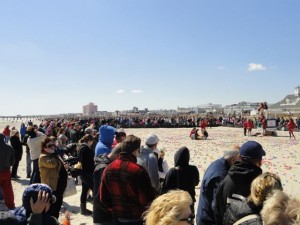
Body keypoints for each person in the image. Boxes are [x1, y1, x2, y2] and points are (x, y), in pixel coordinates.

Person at [100, 135, 156, 225]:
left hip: (117, 218)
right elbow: (147, 200)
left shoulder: (108, 169)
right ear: (135, 151)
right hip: (136, 218)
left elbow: (103, 198)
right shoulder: (138, 171)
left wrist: (115, 209)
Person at [214, 141, 265, 225]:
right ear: (259, 161)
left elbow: (217, 211)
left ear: (239, 157)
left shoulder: (225, 180)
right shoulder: (261, 185)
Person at [196, 146, 240, 225]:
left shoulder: (218, 163)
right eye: (240, 161)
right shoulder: (220, 175)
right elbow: (216, 205)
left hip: (204, 214)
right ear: (233, 160)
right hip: (208, 220)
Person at [162, 146, 200, 214]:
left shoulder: (172, 171)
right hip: (189, 201)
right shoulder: (193, 169)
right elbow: (196, 182)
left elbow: (165, 188)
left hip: (176, 202)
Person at [39, 137, 68, 218]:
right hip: (52, 187)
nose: (52, 146)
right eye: (49, 145)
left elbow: (60, 164)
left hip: (60, 185)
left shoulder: (55, 155)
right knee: (51, 209)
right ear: (44, 148)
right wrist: (53, 153)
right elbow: (53, 164)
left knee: (58, 206)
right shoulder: (43, 158)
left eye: (53, 144)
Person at [93, 144, 122, 225]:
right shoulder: (104, 168)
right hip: (103, 215)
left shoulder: (104, 163)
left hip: (104, 213)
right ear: (118, 156)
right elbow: (100, 194)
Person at [78, 134, 95, 215]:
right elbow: (88, 162)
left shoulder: (80, 147)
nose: (92, 143)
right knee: (95, 190)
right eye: (91, 141)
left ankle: (83, 209)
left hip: (83, 173)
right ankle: (97, 210)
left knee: (84, 191)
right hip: (87, 173)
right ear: (89, 140)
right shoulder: (85, 149)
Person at [0, 133, 15, 210]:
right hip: (6, 171)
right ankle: (10, 205)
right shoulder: (9, 147)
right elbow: (12, 162)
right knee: (8, 189)